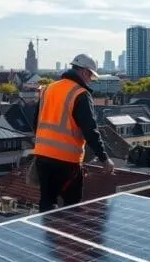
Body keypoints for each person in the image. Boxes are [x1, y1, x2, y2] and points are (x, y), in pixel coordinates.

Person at [33, 54, 114, 212]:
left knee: (46, 203)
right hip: (66, 161)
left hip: (42, 157)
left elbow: (35, 122)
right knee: (72, 206)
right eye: (90, 75)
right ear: (84, 72)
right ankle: (67, 236)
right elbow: (90, 130)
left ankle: (47, 234)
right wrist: (104, 159)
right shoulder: (80, 94)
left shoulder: (48, 89)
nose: (90, 79)